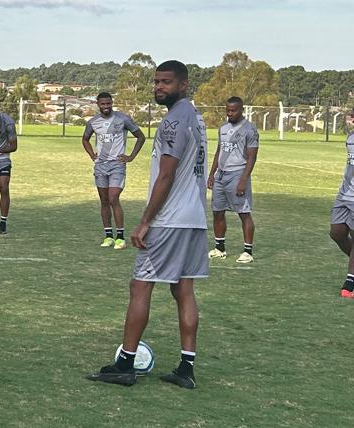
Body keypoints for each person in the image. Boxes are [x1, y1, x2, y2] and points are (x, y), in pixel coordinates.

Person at [89, 60, 207, 390]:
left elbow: (166, 175)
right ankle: (186, 368)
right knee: (183, 289)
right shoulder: (196, 118)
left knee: (140, 285)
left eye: (166, 82)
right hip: (195, 218)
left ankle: (125, 364)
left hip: (169, 221)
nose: (158, 87)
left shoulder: (173, 121)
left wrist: (144, 222)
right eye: (156, 81)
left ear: (183, 85)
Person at [82, 92, 146, 248]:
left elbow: (140, 137)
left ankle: (120, 237)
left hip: (117, 164)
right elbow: (85, 139)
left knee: (113, 198)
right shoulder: (93, 122)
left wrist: (131, 157)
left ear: (112, 103)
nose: (106, 107)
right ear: (97, 104)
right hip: (100, 165)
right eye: (103, 104)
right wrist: (92, 154)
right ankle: (108, 236)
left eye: (108, 103)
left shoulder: (122, 119)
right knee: (104, 201)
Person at [208, 97, 259, 264]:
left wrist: (243, 179)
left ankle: (247, 251)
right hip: (221, 175)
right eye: (227, 110)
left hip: (237, 174)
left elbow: (252, 157)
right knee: (217, 211)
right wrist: (211, 174)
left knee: (243, 213)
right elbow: (219, 151)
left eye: (233, 110)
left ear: (241, 110)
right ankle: (220, 248)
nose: (230, 114)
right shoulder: (223, 127)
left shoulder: (249, 129)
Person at [329, 108, 354, 299]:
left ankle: (350, 282)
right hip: (345, 194)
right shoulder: (350, 139)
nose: (349, 119)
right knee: (337, 233)